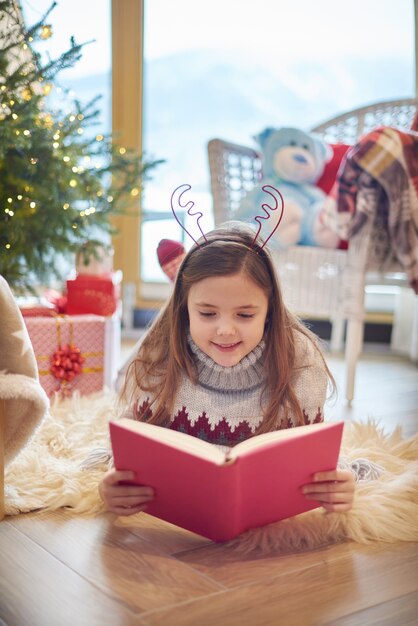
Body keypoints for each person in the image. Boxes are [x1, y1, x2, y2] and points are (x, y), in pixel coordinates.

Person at [100, 222, 355, 517]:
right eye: (207, 313)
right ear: (184, 307)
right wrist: (110, 482)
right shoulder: (159, 352)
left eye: (245, 314)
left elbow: (317, 458)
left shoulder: (301, 362)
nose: (225, 330)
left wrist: (339, 482)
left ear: (270, 309)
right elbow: (127, 444)